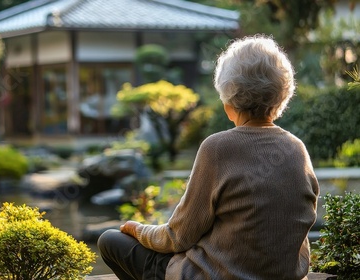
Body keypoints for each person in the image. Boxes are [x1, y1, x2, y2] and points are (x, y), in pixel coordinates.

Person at [97, 34, 319, 280]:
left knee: (110, 240)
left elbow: (178, 236)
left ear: (228, 102)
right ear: (281, 97)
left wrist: (138, 229)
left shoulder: (217, 148)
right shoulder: (297, 148)